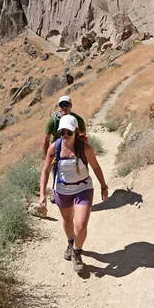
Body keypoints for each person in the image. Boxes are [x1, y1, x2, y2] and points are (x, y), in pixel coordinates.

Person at [40, 114, 108, 273]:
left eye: (68, 132)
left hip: (83, 189)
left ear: (76, 132)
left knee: (81, 224)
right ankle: (70, 242)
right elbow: (45, 171)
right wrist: (42, 194)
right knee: (67, 220)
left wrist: (103, 186)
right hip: (63, 190)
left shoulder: (85, 148)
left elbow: (96, 168)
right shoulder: (54, 148)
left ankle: (77, 252)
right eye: (62, 132)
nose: (65, 136)